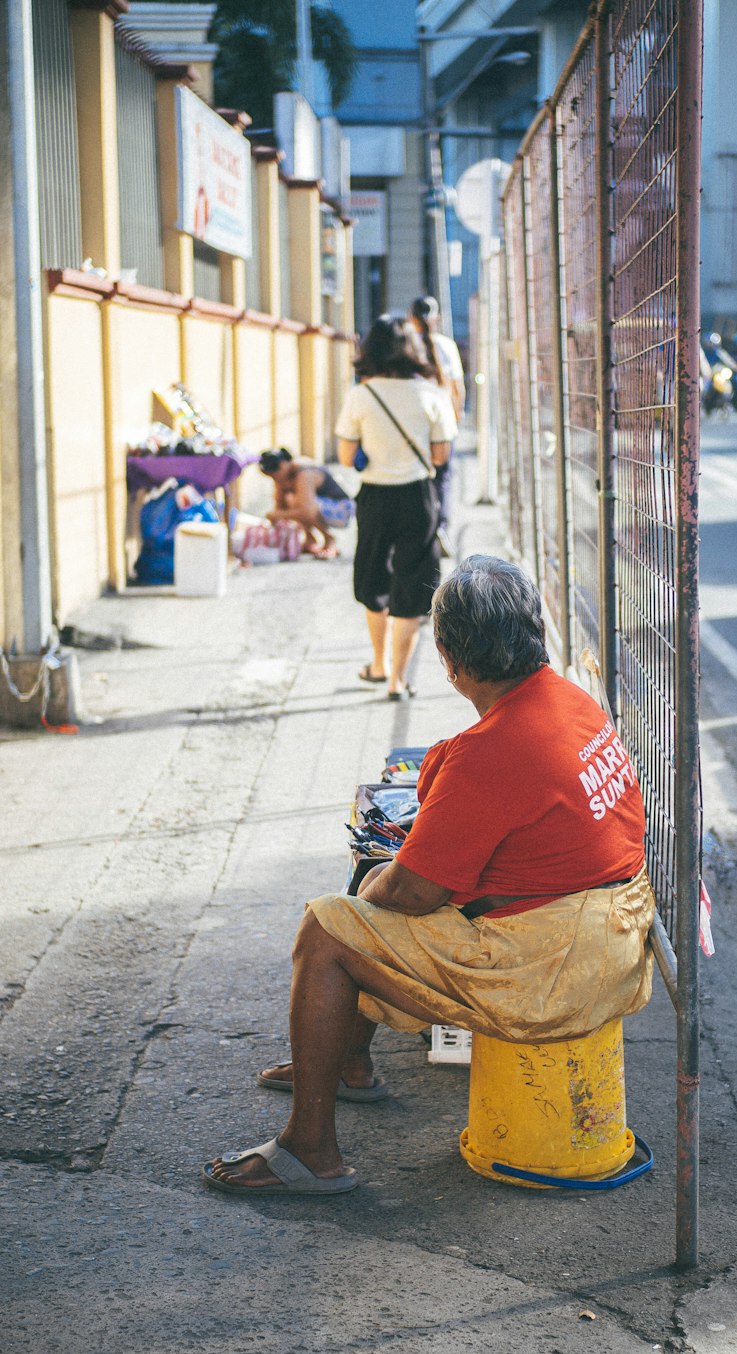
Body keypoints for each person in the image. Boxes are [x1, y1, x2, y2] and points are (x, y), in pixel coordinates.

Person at [203, 556, 656, 1196]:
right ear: (533, 633)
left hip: (556, 968)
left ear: (448, 659)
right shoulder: (571, 701)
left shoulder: (489, 752)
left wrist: (371, 884)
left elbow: (413, 891)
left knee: (329, 930)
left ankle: (308, 1150)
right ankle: (349, 1062)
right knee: (366, 902)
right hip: (611, 939)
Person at [335, 315, 457, 700]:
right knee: (412, 582)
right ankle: (398, 680)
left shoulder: (360, 395)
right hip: (417, 498)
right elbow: (440, 457)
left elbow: (344, 455)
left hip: (374, 496)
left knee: (373, 580)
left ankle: (377, 662)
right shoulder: (431, 394)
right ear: (413, 350)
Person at [409, 295, 465, 531]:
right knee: (443, 475)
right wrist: (456, 415)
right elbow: (457, 387)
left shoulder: (407, 346)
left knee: (418, 473)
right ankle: (440, 526)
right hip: (443, 422)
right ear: (436, 318)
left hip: (415, 421)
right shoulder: (446, 346)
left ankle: (421, 523)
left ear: (411, 318)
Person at [258, 449, 347, 557]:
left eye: (274, 475)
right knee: (291, 501)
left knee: (296, 502)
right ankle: (310, 539)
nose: (274, 479)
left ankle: (329, 538)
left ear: (283, 465)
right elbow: (280, 505)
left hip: (341, 509)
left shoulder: (303, 472)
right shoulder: (284, 475)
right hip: (320, 505)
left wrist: (276, 515)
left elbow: (306, 511)